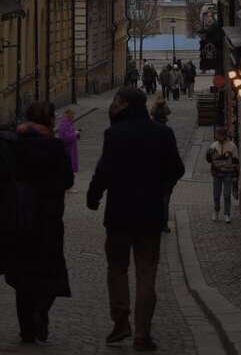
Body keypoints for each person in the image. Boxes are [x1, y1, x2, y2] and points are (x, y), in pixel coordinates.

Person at [87, 87, 185, 352]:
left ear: (124, 104)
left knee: (117, 269)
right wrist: (160, 188)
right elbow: (177, 169)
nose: (113, 105)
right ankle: (142, 334)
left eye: (116, 102)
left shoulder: (115, 133)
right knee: (146, 273)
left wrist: (93, 196)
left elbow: (103, 170)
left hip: (119, 213)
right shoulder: (162, 133)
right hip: (150, 214)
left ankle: (121, 322)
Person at [0, 102, 73, 344]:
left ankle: (27, 329)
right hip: (47, 220)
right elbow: (67, 180)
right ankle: (41, 310)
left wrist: (11, 196)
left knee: (21, 275)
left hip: (18, 220)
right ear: (49, 121)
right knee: (49, 272)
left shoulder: (13, 145)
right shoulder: (55, 146)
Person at [206, 127, 239, 224]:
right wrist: (208, 155)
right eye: (217, 135)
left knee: (227, 194)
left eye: (220, 135)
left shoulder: (232, 146)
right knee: (216, 194)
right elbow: (209, 160)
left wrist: (235, 175)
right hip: (216, 173)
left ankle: (227, 214)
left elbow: (236, 161)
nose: (218, 137)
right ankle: (216, 210)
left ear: (224, 135)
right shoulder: (213, 146)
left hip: (228, 173)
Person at [56, 107, 80, 174]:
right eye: (72, 116)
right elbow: (65, 137)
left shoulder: (70, 123)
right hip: (67, 147)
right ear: (68, 116)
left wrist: (76, 133)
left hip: (72, 146)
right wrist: (75, 134)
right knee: (68, 163)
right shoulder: (64, 124)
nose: (73, 118)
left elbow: (70, 133)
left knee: (71, 162)